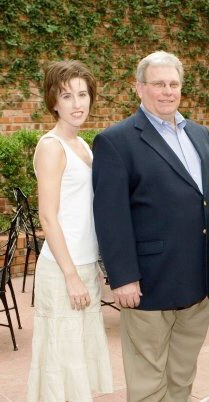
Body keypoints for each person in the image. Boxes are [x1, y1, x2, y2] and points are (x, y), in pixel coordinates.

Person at [92, 51, 209, 401]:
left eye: (174, 84)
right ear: (139, 88)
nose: (167, 91)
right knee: (148, 383)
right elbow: (110, 216)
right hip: (148, 284)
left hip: (197, 284)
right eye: (158, 83)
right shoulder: (116, 141)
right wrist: (123, 276)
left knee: (182, 375)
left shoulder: (200, 134)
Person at [27, 60, 113, 401]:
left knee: (74, 359)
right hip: (64, 269)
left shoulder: (83, 145)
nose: (78, 103)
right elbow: (48, 217)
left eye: (82, 94)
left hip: (83, 262)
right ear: (54, 102)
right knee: (60, 361)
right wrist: (71, 276)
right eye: (67, 95)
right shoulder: (52, 147)